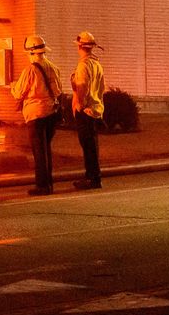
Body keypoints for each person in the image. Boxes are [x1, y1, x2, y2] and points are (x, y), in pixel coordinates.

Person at [10, 34, 63, 195]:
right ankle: (49, 184)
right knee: (46, 149)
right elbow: (58, 91)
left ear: (32, 52)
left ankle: (42, 186)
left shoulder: (30, 70)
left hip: (35, 115)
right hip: (51, 113)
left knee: (39, 152)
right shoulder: (53, 68)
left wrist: (13, 86)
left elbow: (18, 93)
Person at [70, 30, 107, 190]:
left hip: (86, 110)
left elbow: (82, 87)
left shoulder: (84, 65)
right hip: (95, 109)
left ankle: (92, 178)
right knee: (92, 146)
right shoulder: (96, 64)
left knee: (88, 146)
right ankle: (93, 176)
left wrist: (80, 105)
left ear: (80, 46)